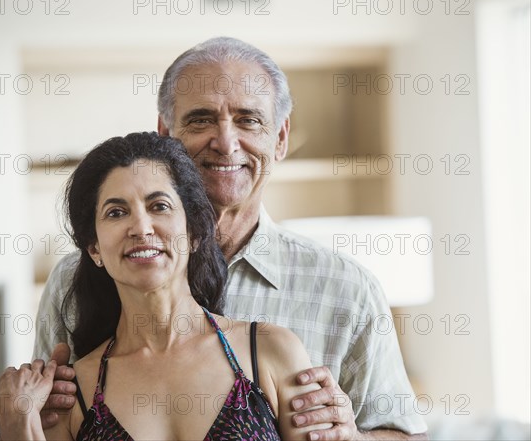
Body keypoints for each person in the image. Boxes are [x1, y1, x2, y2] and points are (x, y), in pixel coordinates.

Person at [34, 37, 428, 440]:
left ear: (280, 138)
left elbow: (405, 433)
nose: (225, 143)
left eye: (249, 120)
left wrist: (353, 439)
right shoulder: (73, 281)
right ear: (166, 135)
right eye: (201, 119)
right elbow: (47, 423)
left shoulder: (348, 288)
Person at [0, 133, 330, 440]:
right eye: (116, 212)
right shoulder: (72, 393)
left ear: (195, 232)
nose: (141, 227)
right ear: (94, 248)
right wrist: (18, 422)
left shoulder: (272, 352)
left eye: (159, 206)